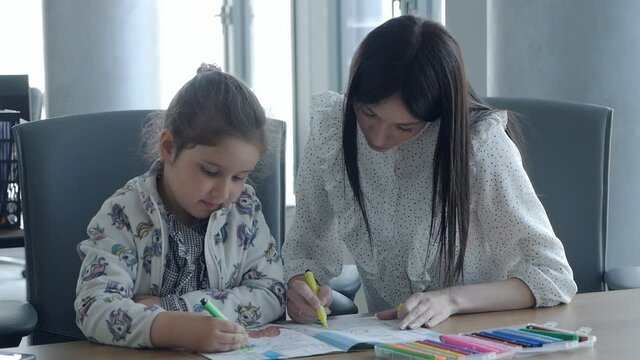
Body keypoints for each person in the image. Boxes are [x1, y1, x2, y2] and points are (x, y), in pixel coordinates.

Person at [283, 15, 577, 330]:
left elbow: (553, 274)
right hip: (391, 342)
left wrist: (450, 300)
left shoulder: (478, 147)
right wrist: (301, 287)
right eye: (368, 113)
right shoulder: (332, 129)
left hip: (481, 336)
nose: (378, 137)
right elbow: (306, 246)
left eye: (404, 126)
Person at [74, 64, 286, 352]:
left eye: (239, 177)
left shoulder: (244, 211)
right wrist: (171, 328)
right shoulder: (122, 215)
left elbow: (271, 293)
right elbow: (94, 307)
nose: (224, 193)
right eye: (210, 172)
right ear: (169, 147)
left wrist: (178, 308)